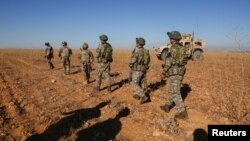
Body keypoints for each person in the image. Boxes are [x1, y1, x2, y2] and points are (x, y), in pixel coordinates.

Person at [160, 31, 189, 119]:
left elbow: (168, 62)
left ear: (173, 39)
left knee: (175, 92)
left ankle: (182, 112)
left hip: (175, 73)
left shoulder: (173, 48)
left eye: (170, 38)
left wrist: (163, 72)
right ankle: (167, 105)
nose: (169, 39)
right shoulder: (182, 48)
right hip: (180, 72)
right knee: (171, 89)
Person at [129, 37, 150, 104]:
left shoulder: (137, 51)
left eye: (137, 42)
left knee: (134, 83)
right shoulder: (145, 51)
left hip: (138, 69)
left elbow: (133, 60)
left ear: (138, 43)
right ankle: (138, 95)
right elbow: (148, 60)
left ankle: (143, 96)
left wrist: (130, 64)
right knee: (139, 82)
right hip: (144, 69)